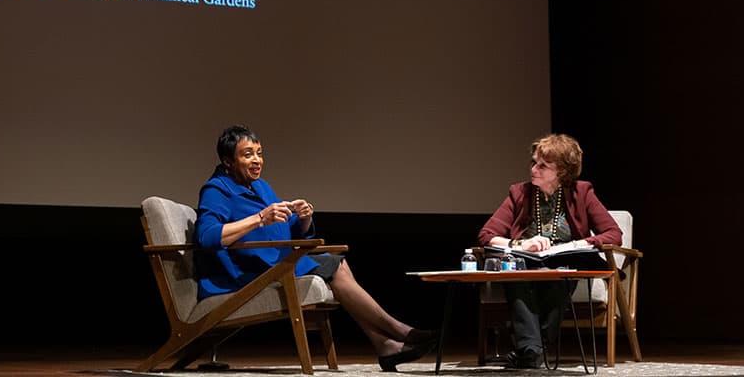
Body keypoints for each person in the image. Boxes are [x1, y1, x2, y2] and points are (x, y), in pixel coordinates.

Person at [195, 124, 436, 372]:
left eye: (259, 153)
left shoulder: (260, 186)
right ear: (228, 161)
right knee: (335, 265)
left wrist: (303, 217)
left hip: (275, 263)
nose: (257, 160)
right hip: (246, 273)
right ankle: (396, 332)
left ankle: (386, 343)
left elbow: (287, 231)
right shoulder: (217, 189)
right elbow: (207, 236)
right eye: (247, 155)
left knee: (336, 262)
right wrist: (259, 218)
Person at [477, 134, 621, 369]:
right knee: (514, 273)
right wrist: (521, 245)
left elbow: (613, 233)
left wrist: (577, 244)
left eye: (543, 165)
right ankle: (534, 349)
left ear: (562, 171)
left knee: (561, 274)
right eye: (534, 162)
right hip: (527, 261)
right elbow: (486, 235)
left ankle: (529, 350)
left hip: (564, 262)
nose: (534, 169)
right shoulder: (519, 192)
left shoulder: (582, 192)